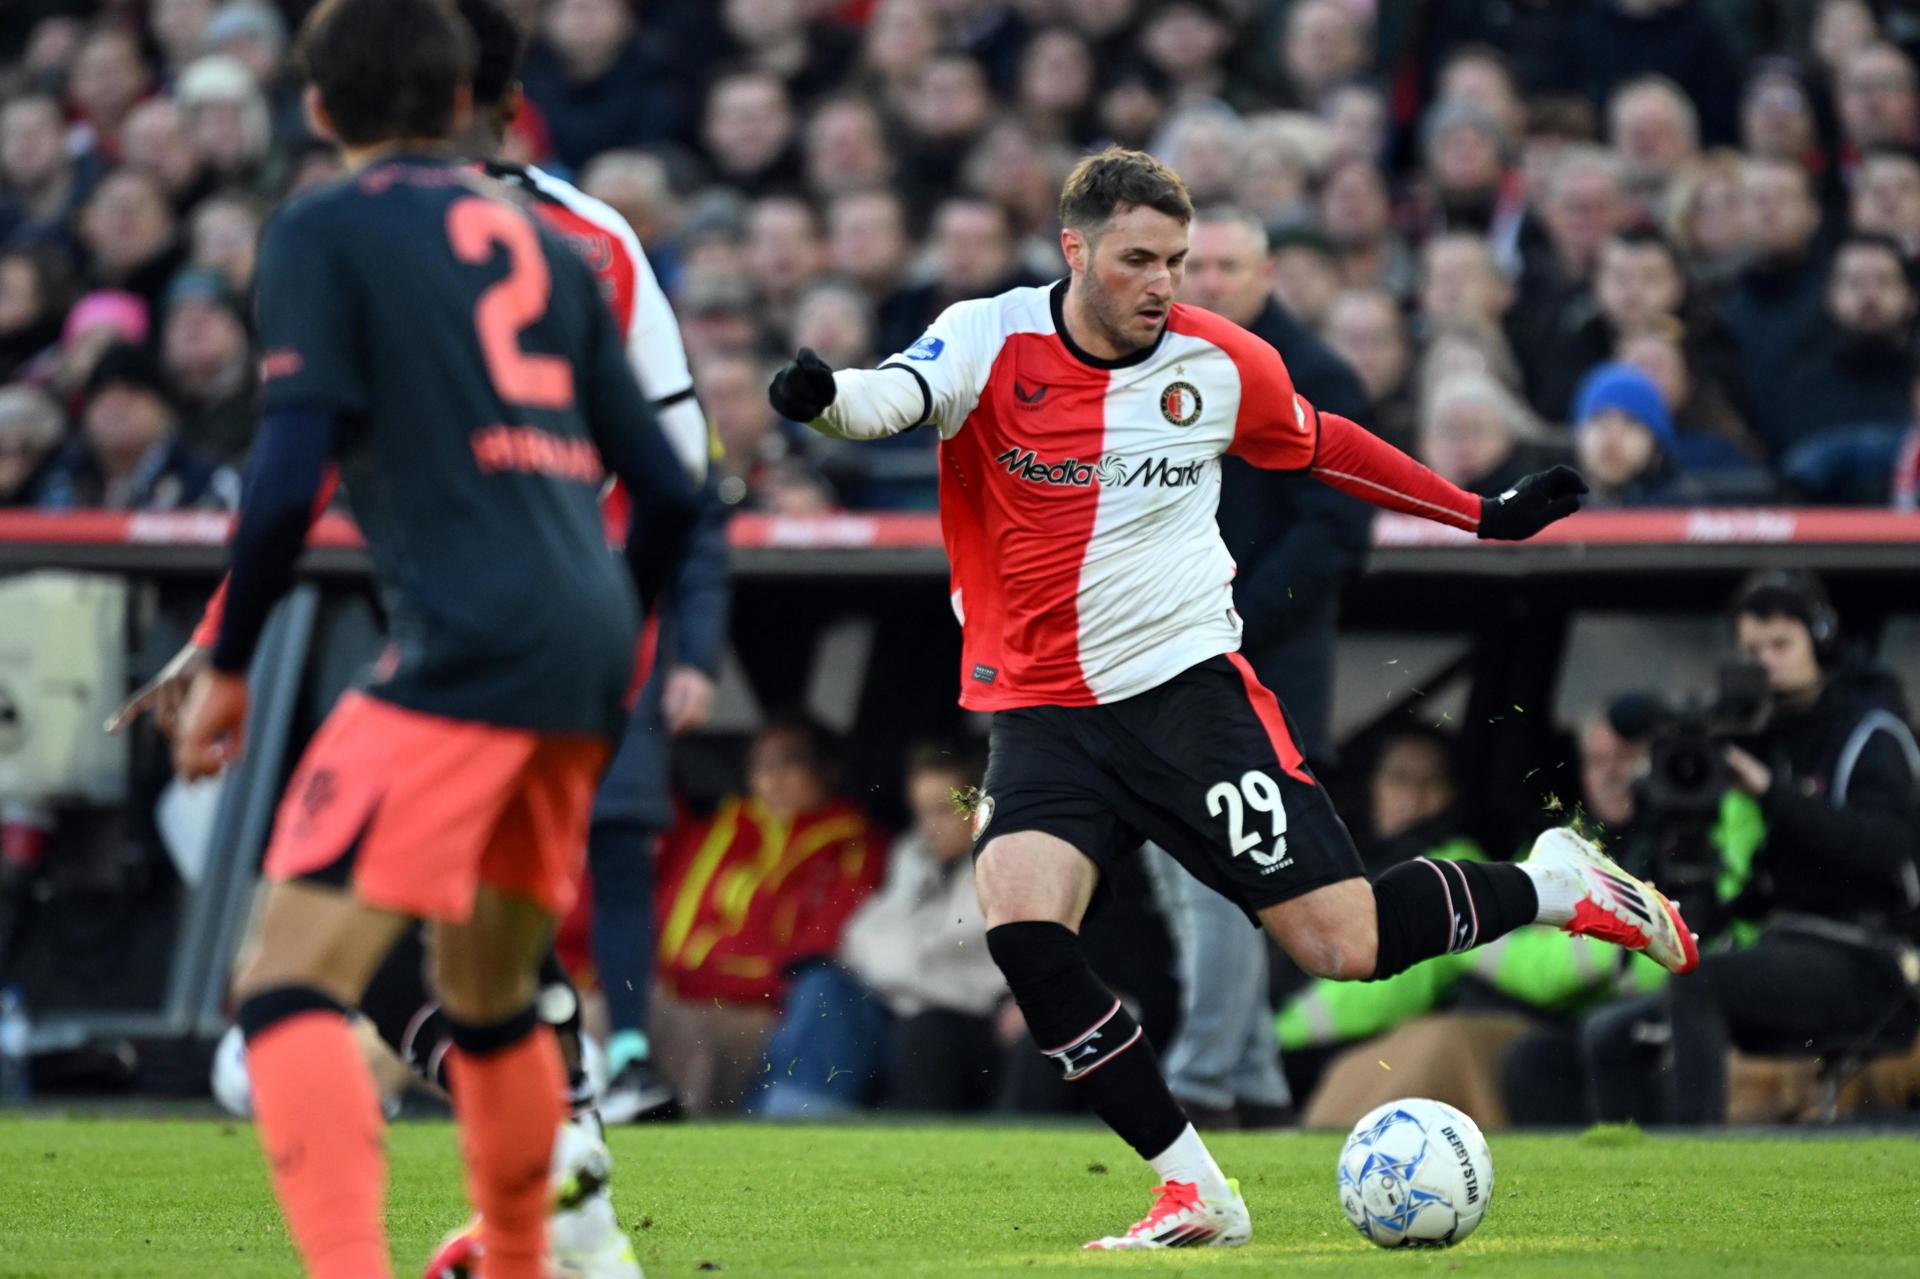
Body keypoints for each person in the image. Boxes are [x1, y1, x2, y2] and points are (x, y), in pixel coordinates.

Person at [766, 146, 1691, 1252]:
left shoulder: (1216, 362)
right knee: (1021, 922)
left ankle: (1550, 881)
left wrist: (1479, 515)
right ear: (1076, 252)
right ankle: (1194, 1187)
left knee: (1342, 943)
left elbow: (1328, 450)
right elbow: (889, 398)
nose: (1163, 282)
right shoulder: (988, 336)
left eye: (1177, 260)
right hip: (1045, 715)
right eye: (1138, 259)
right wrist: (824, 403)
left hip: (1186, 699)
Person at [113, 2, 711, 1274]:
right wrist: (610, 653)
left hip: (460, 648)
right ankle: (521, 1252)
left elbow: (285, 481)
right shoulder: (552, 244)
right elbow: (671, 486)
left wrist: (227, 664)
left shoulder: (324, 227)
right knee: (487, 993)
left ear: (317, 112)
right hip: (583, 646)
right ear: (464, 104)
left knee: (283, 987)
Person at [1142, 204, 1372, 1131]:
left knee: (1222, 874)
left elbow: (1339, 532)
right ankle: (1256, 1075)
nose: (1209, 284)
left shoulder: (1313, 377)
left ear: (1268, 277)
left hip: (1258, 671)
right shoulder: (1160, 371)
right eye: (1198, 268)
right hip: (1160, 659)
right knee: (1185, 868)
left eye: (1230, 267)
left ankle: (1199, 1075)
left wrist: (1228, 616)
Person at [1589, 573, 1920, 1124]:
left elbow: (1888, 855)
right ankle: (1633, 1187)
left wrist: (1770, 791)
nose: (1765, 662)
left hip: (1868, 958)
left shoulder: (1873, 733)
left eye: (1780, 645)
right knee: (1608, 1035)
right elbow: (1768, 875)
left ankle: (1699, 1169)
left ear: (1821, 641)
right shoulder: (1763, 736)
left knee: (1702, 985)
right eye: (1751, 650)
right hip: (1784, 940)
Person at [650, 716, 885, 1115]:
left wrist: (707, 979)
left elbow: (816, 958)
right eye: (761, 767)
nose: (772, 780)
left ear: (827, 772)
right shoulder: (724, 828)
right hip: (679, 994)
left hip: (763, 1012)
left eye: (789, 764)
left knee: (694, 1037)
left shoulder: (854, 845)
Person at [760, 741, 1009, 1115]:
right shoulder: (912, 856)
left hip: (953, 1025)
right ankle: (785, 1116)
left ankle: (801, 1125)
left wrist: (890, 964)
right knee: (818, 987)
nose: (930, 827)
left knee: (903, 1029)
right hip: (894, 1007)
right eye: (921, 813)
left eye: (943, 811)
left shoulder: (999, 866)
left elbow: (937, 961)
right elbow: (858, 938)